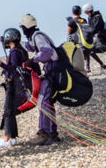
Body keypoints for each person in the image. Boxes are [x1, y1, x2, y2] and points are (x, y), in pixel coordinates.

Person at [20, 14, 63, 146]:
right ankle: (50, 133)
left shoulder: (38, 36)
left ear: (26, 27)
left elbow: (47, 52)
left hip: (53, 72)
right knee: (45, 101)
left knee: (44, 102)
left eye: (22, 28)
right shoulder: (35, 36)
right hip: (52, 71)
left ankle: (46, 134)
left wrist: (33, 60)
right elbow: (31, 47)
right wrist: (16, 42)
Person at [0, 28, 28, 148]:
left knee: (8, 111)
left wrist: (1, 64)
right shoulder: (19, 51)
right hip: (16, 85)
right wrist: (8, 63)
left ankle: (6, 139)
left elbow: (15, 69)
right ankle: (12, 138)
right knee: (10, 111)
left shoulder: (15, 52)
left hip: (14, 86)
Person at [80, 4, 106, 73]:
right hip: (94, 37)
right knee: (89, 49)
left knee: (90, 50)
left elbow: (94, 29)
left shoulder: (97, 17)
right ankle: (101, 66)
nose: (86, 14)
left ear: (89, 11)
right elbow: (91, 28)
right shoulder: (90, 18)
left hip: (101, 37)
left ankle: (90, 68)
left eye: (86, 12)